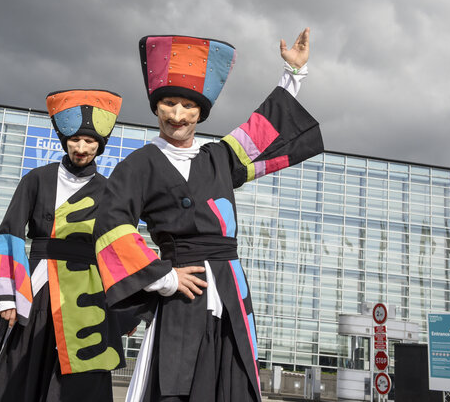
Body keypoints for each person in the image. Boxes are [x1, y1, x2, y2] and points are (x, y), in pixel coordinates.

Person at [94, 30, 324, 401]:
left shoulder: (218, 156)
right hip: (180, 292)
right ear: (156, 108)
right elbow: (110, 228)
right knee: (175, 385)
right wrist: (163, 277)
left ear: (201, 113)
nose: (178, 115)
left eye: (188, 107)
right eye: (168, 104)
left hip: (231, 286)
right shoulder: (137, 165)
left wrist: (292, 74)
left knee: (232, 385)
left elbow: (263, 129)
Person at [0, 89, 139, 401]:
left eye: (89, 141)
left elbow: (119, 248)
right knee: (21, 367)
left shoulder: (109, 191)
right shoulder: (36, 179)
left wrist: (126, 308)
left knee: (81, 380)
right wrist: (7, 297)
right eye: (75, 140)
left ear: (100, 145)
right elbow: (10, 233)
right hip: (36, 287)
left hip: (87, 296)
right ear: (64, 141)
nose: (81, 147)